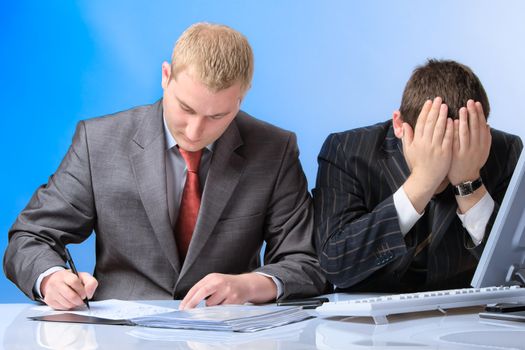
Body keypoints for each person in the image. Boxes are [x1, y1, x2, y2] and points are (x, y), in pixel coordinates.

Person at [4, 22, 326, 310]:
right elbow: (30, 237)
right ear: (165, 76)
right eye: (186, 108)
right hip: (120, 337)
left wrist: (250, 285)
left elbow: (308, 262)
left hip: (227, 335)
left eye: (218, 116)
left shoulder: (274, 149)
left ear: (242, 98)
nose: (195, 131)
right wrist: (51, 279)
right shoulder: (99, 142)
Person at [313, 59, 523, 293]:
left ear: (483, 131)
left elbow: (517, 272)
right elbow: (335, 264)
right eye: (433, 145)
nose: (444, 163)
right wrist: (422, 181)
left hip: (465, 313)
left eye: (456, 150)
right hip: (371, 319)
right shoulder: (347, 150)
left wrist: (469, 184)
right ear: (399, 125)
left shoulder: (505, 151)